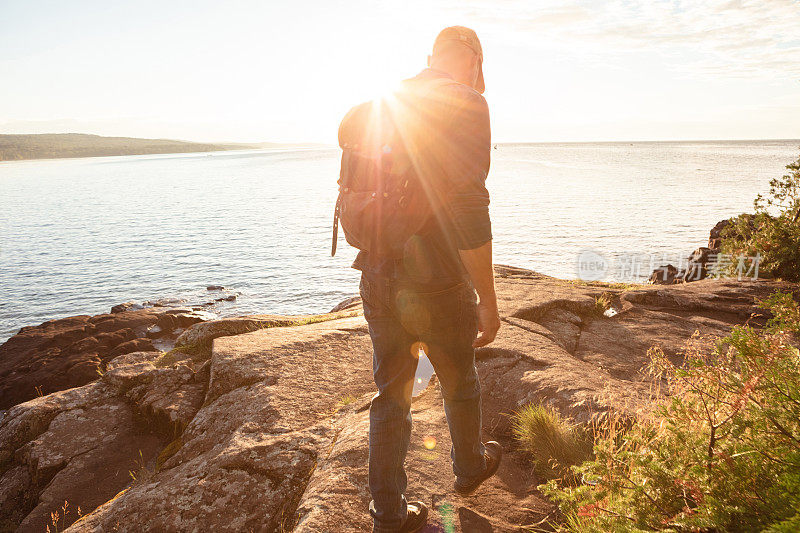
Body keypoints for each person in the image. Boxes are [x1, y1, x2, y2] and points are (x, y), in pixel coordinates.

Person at [344, 26, 502, 533]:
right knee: (459, 379)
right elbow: (470, 210)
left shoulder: (379, 105)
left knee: (391, 392)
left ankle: (389, 511)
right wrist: (488, 300)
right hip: (436, 280)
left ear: (431, 57)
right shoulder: (466, 103)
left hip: (376, 272)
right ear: (475, 60)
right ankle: (469, 465)